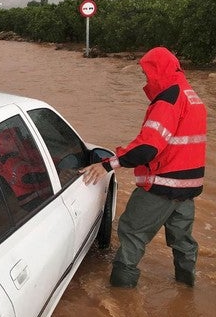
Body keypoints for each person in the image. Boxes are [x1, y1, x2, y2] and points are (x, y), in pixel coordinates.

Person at [80, 46, 206, 288]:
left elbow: (146, 148)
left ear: (158, 71)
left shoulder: (168, 99)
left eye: (147, 74)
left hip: (162, 185)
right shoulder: (192, 96)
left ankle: (119, 295)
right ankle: (187, 288)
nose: (146, 80)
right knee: (183, 242)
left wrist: (108, 164)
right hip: (188, 188)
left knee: (131, 233)